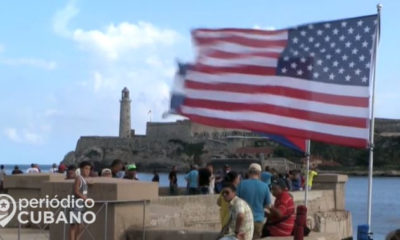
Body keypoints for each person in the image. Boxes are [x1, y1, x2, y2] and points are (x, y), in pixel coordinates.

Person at [237, 163, 271, 239]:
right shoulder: (265, 186)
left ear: (249, 172)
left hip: (244, 220)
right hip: (258, 220)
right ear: (259, 173)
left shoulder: (241, 184)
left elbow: (236, 202)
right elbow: (268, 205)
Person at [69, 161, 92, 240]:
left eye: (89, 169)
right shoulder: (78, 178)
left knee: (81, 225)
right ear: (81, 169)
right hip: (76, 204)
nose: (87, 171)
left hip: (81, 205)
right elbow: (76, 192)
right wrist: (85, 199)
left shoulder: (84, 179)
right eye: (86, 168)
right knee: (74, 225)